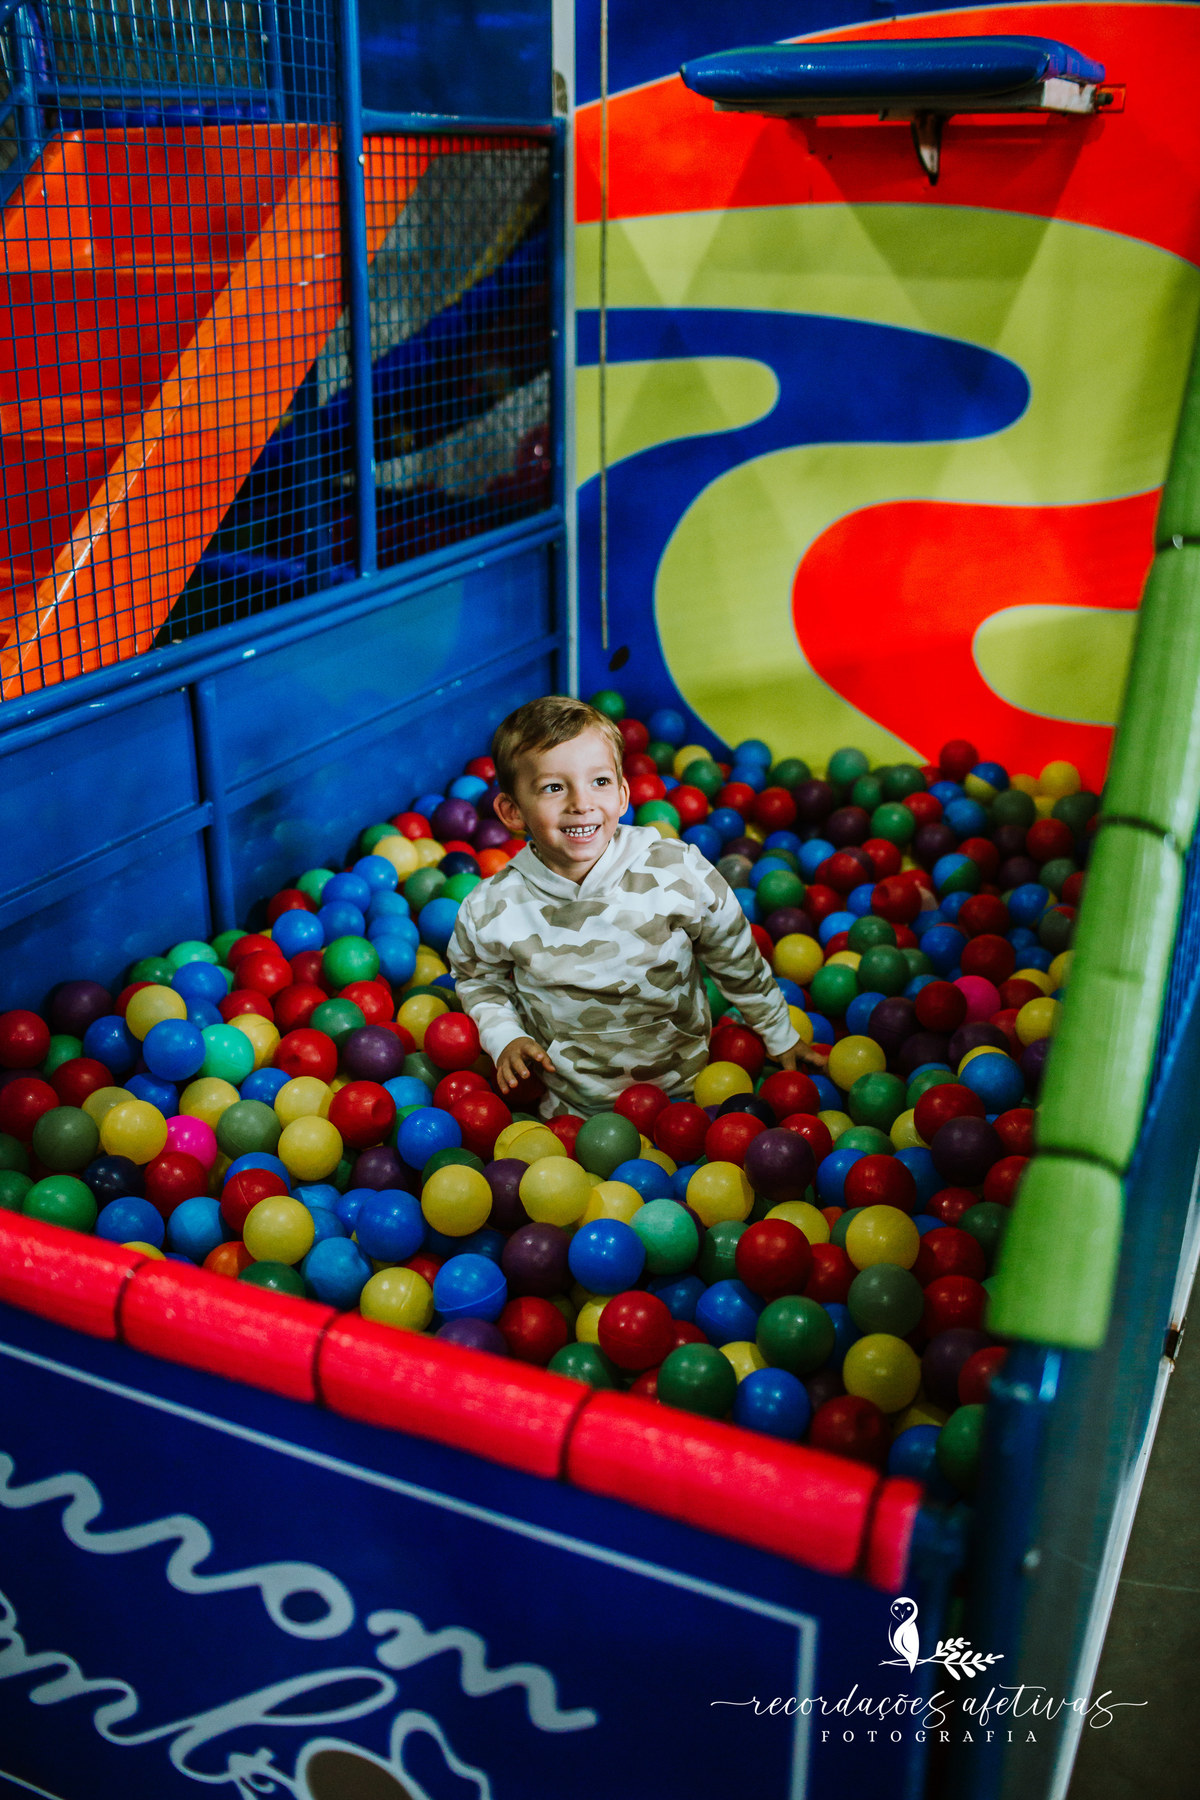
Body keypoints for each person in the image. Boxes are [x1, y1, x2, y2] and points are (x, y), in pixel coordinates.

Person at [448, 694, 822, 1116]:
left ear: (624, 795)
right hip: (574, 1112)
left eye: (600, 782)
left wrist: (777, 1032)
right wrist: (504, 1039)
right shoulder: (494, 907)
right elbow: (479, 981)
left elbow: (734, 953)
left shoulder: (675, 871)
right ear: (512, 811)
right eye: (554, 787)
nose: (581, 802)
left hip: (693, 1096)